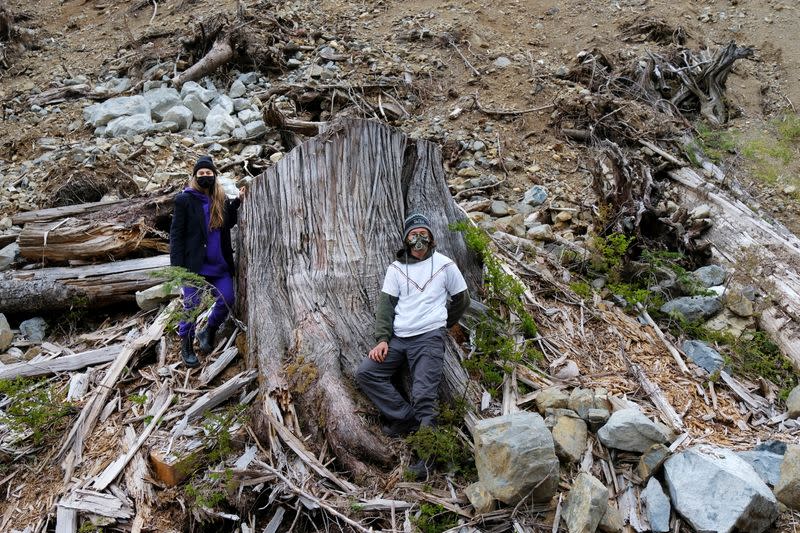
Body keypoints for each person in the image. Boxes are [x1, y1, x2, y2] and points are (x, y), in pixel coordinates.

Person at [356, 213, 470, 478]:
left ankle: (425, 459)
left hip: (429, 339)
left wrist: (441, 322)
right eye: (413, 235)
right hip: (399, 338)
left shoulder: (445, 265)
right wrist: (382, 339)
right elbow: (386, 307)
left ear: (430, 237)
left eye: (423, 234)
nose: (419, 240)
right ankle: (405, 419)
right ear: (406, 239)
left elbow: (462, 300)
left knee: (424, 396)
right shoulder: (396, 268)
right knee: (367, 372)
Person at [169, 155, 243, 367]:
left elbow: (228, 222)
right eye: (201, 174)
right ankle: (186, 344)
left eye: (208, 173)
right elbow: (176, 234)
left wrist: (238, 200)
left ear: (214, 176)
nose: (205, 177)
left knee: (227, 298)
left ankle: (208, 330)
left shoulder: (219, 199)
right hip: (195, 265)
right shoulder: (185, 199)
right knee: (191, 305)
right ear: (194, 176)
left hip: (219, 264)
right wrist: (177, 267)